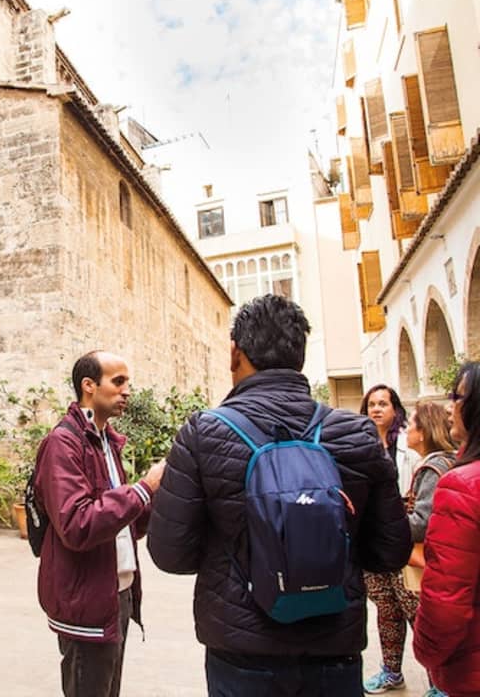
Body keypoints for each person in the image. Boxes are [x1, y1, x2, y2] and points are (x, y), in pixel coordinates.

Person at [147, 294, 411, 697]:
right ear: (299, 354)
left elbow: (170, 553)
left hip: (241, 653)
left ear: (235, 352)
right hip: (333, 647)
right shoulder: (356, 434)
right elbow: (390, 552)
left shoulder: (203, 433)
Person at [33, 350, 166, 697]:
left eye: (128, 383)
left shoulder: (106, 441)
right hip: (85, 603)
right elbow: (77, 524)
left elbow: (123, 525)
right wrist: (142, 489)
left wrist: (153, 499)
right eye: (118, 381)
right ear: (88, 386)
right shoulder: (63, 443)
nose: (126, 391)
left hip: (114, 593)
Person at [414, 361, 480, 697]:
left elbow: (446, 597)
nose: (450, 406)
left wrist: (426, 653)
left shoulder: (461, 485)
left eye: (458, 396)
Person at [360, 385, 424, 694]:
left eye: (383, 403)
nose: (376, 409)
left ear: (395, 409)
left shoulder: (408, 450)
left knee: (415, 610)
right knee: (386, 610)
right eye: (371, 404)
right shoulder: (359, 445)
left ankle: (438, 678)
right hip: (372, 544)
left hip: (402, 542)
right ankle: (391, 671)